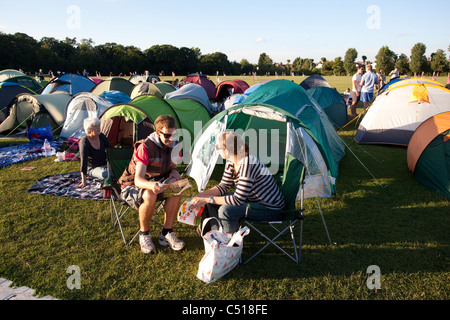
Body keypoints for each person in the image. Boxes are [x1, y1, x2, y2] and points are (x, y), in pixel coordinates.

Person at [190, 131, 286, 234]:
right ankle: (216, 234)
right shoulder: (232, 160)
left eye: (218, 147)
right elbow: (223, 186)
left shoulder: (247, 164)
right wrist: (201, 196)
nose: (217, 150)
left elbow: (237, 200)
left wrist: (207, 199)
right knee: (211, 203)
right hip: (252, 200)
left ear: (226, 151)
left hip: (270, 209)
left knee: (225, 210)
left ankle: (230, 244)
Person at [117, 115, 185, 254]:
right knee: (149, 194)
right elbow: (138, 180)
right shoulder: (145, 147)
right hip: (131, 185)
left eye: (173, 135)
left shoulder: (175, 145)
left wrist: (175, 174)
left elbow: (172, 167)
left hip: (158, 181)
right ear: (158, 133)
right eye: (167, 135)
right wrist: (152, 185)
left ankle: (166, 233)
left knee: (178, 188)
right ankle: (144, 234)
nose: (171, 139)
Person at [75, 117, 113, 189]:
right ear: (89, 129)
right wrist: (84, 181)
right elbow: (84, 162)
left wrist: (110, 163)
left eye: (99, 125)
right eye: (95, 126)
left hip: (105, 164)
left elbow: (110, 150)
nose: (98, 128)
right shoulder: (84, 142)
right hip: (92, 167)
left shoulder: (101, 136)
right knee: (108, 174)